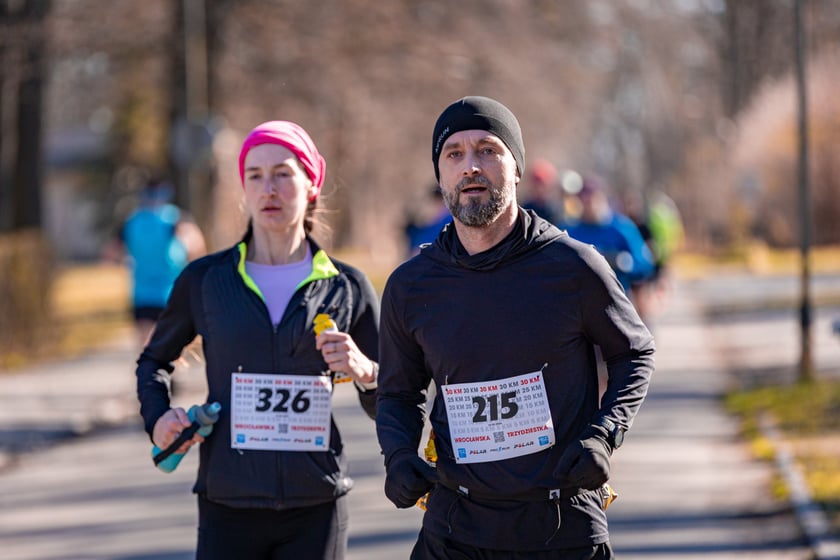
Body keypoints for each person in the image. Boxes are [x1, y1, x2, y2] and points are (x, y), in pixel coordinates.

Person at [375, 96, 655, 559]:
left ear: (517, 168)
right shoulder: (411, 285)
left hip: (561, 526)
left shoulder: (573, 266)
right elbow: (398, 393)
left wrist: (604, 434)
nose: (471, 167)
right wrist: (399, 455)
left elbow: (634, 352)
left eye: (488, 150)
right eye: (454, 154)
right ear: (440, 174)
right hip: (455, 529)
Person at [136, 121, 380, 560]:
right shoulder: (206, 280)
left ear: (311, 184)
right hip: (227, 502)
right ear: (243, 189)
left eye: (283, 173)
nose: (269, 188)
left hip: (317, 505)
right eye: (255, 175)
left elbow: (394, 399)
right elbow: (154, 361)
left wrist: (365, 372)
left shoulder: (348, 286)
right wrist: (157, 418)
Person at [103, 179, 206, 348]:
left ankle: (146, 372)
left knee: (145, 340)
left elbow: (109, 253)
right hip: (170, 290)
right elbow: (195, 245)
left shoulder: (132, 221)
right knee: (172, 340)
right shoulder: (173, 218)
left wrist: (125, 261)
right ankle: (170, 373)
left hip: (141, 292)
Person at [562, 175, 655, 297]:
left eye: (593, 199)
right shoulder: (569, 232)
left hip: (616, 301)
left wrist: (623, 262)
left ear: (602, 197)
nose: (589, 205)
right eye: (585, 200)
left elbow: (646, 263)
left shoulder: (622, 227)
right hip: (578, 303)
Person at [404, 185, 452, 257]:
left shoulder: (449, 218)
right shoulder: (435, 220)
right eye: (437, 197)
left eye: (441, 197)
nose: (438, 201)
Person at [520, 157, 562, 224]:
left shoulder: (554, 209)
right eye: (535, 184)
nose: (537, 188)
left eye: (540, 185)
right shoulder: (526, 207)